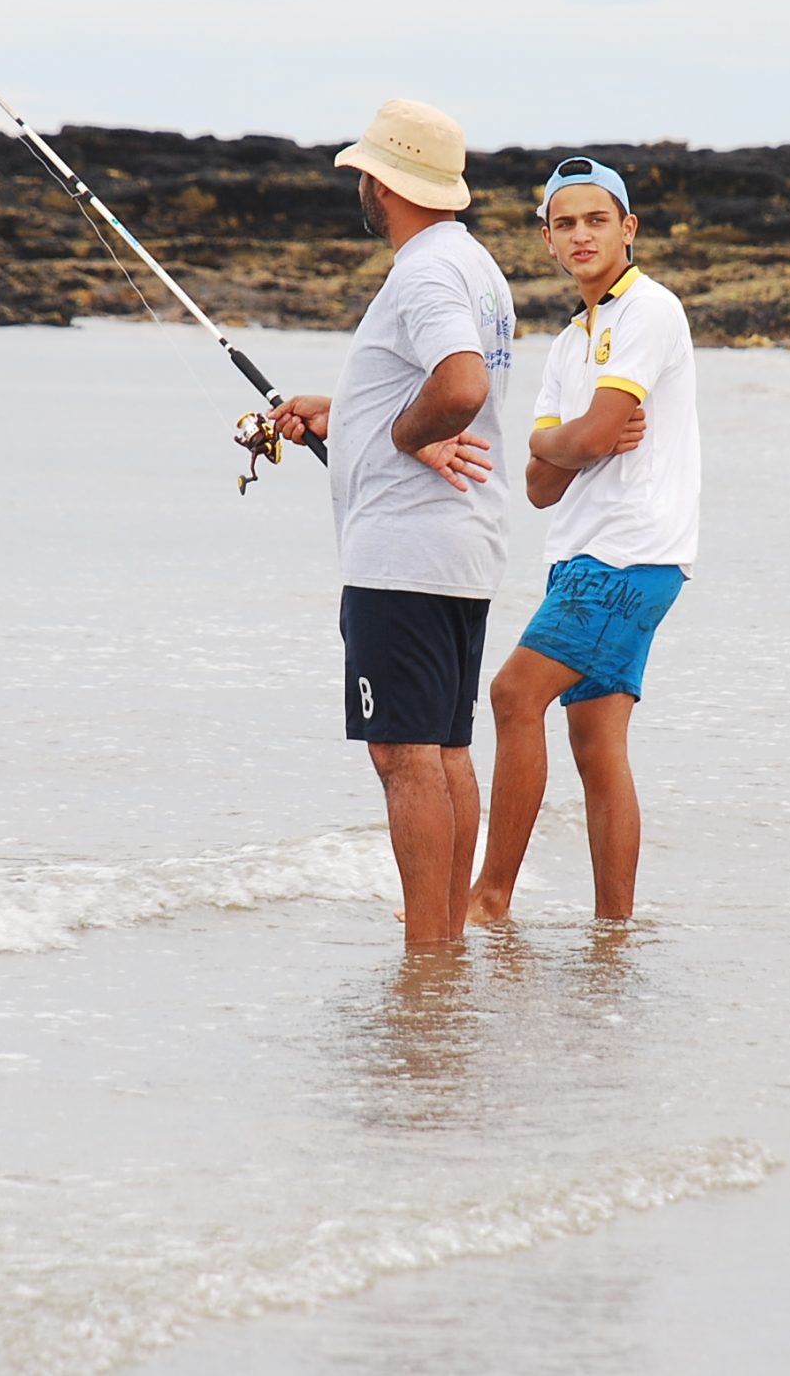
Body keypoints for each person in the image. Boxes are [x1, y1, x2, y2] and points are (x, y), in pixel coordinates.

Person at [270, 99, 517, 949]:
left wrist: (409, 436)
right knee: (445, 751)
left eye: (365, 173)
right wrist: (348, 417)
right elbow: (429, 385)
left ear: (386, 182)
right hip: (456, 549)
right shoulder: (473, 264)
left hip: (404, 555)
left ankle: (427, 952)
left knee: (402, 756)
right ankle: (443, 941)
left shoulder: (423, 273)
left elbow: (458, 385)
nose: (362, 187)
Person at [467, 155, 699, 924]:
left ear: (628, 229)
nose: (581, 235)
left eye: (597, 219)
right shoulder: (570, 342)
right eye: (564, 223)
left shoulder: (650, 309)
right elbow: (537, 483)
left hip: (627, 553)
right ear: (545, 239)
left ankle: (490, 901)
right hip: (581, 556)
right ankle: (615, 932)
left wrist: (571, 440)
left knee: (511, 696)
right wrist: (576, 442)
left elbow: (590, 435)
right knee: (598, 748)